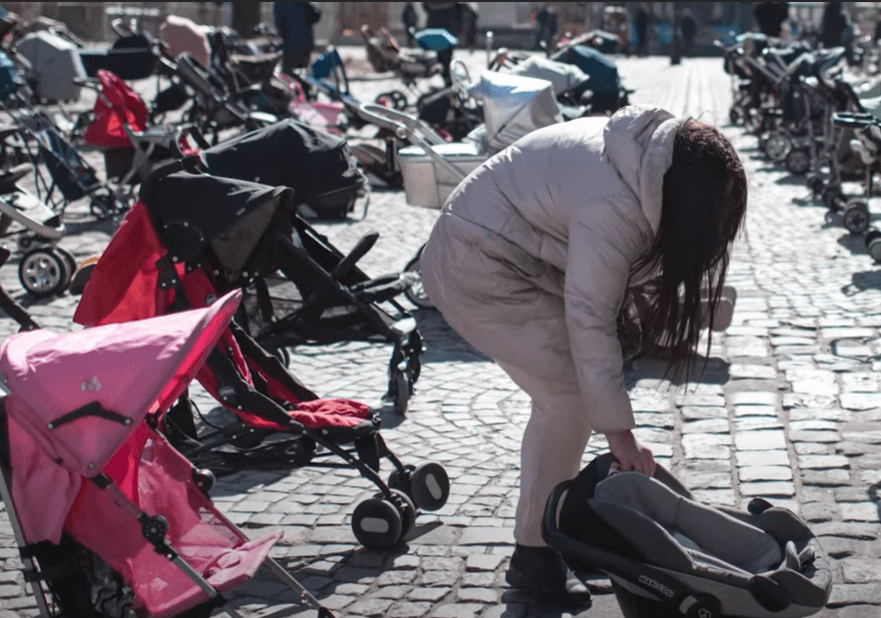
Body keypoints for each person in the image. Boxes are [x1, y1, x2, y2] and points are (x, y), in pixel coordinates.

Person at [419, 105, 748, 608]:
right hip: (477, 265)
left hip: (509, 252)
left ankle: (561, 536)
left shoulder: (642, 157)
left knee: (573, 392)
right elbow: (589, 320)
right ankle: (535, 557)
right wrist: (621, 436)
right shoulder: (615, 207)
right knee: (566, 396)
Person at [273, 2, 320, 75]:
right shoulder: (303, 3)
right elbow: (315, 17)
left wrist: (282, 38)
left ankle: (304, 86)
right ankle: (305, 85)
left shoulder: (279, 3)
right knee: (301, 73)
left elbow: (279, 24)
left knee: (286, 73)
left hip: (292, 44)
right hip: (307, 43)